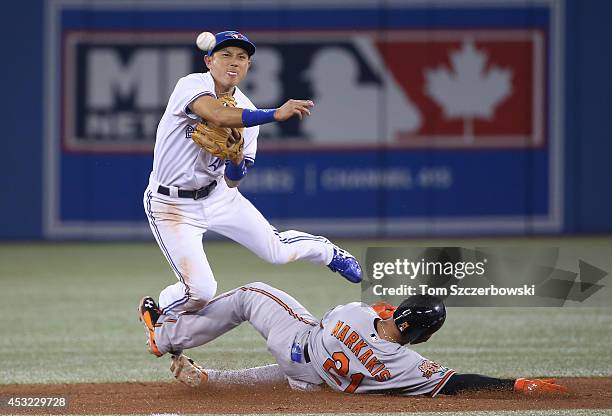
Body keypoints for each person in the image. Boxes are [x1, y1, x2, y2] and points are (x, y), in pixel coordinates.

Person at [140, 30, 362, 353]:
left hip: (218, 197)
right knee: (201, 291)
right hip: (169, 205)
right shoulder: (191, 85)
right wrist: (276, 113)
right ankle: (161, 306)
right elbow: (215, 113)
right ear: (209, 60)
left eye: (242, 57)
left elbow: (233, 181)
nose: (234, 62)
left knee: (277, 250)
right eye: (226, 55)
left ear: (248, 66)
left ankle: (328, 252)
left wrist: (234, 162)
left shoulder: (248, 113)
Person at [137, 282, 568, 397]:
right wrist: (511, 384)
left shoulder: (358, 313)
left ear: (397, 312)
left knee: (252, 294)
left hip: (298, 344)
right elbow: (457, 382)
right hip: (314, 379)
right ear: (424, 336)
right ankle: (212, 380)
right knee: (304, 379)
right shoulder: (405, 368)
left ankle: (166, 336)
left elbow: (372, 315)